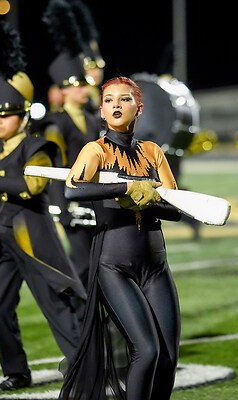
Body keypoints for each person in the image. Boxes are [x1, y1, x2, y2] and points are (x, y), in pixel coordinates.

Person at [0, 14, 86, 392]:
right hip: (1, 242)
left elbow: (33, 186)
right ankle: (16, 371)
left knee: (57, 306)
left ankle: (85, 367)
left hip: (32, 236)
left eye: (7, 116)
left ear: (23, 117)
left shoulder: (38, 147)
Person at [59, 76, 182, 400]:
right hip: (114, 266)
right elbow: (73, 189)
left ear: (138, 108)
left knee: (168, 357)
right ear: (101, 110)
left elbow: (176, 209)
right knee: (147, 350)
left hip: (155, 266)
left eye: (124, 99)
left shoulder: (153, 151)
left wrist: (149, 201)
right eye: (109, 100)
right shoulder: (95, 150)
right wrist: (126, 188)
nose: (116, 104)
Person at [40, 0, 102, 292]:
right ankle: (69, 306)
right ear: (64, 89)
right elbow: (56, 166)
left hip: (94, 199)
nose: (84, 88)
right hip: (71, 200)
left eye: (84, 83)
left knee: (99, 264)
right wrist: (61, 206)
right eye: (78, 84)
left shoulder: (91, 118)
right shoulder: (56, 123)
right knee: (83, 264)